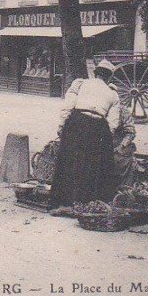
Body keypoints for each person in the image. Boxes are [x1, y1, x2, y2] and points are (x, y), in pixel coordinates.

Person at [49, 59, 120, 209]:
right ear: (109, 77)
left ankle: (65, 199)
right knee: (93, 163)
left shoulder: (81, 84)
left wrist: (62, 125)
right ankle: (87, 201)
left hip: (77, 121)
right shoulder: (113, 94)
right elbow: (113, 123)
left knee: (69, 159)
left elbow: (68, 106)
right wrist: (106, 138)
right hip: (98, 126)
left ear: (96, 73)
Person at [111, 101, 137, 191]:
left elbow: (130, 132)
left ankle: (124, 190)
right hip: (101, 144)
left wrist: (122, 145)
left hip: (118, 145)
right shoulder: (97, 109)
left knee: (123, 161)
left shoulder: (122, 110)